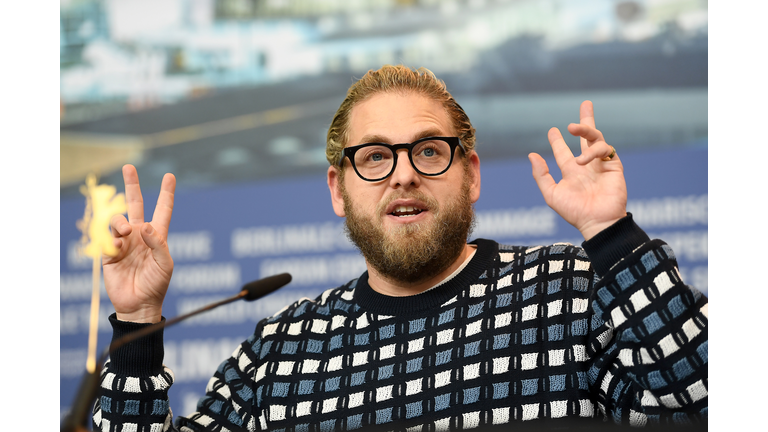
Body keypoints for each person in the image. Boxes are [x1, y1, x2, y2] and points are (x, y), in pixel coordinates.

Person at [92, 65, 708, 431]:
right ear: (339, 190)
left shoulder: (575, 291)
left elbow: (701, 402)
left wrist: (614, 236)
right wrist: (140, 322)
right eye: (376, 156)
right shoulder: (279, 352)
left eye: (429, 151)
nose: (403, 175)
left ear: (470, 175)